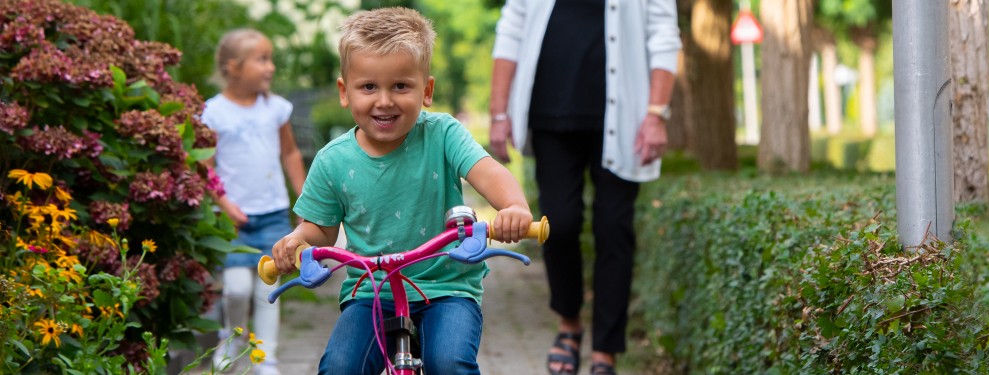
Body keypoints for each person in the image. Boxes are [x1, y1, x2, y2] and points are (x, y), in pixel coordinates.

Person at [269, 7, 535, 375]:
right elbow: (321, 230)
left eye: (400, 86)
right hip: (370, 291)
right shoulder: (333, 161)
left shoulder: (442, 134)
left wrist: (514, 207)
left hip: (447, 286)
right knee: (339, 367)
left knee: (450, 362)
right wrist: (298, 240)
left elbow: (489, 172)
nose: (384, 101)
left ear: (426, 91)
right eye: (368, 87)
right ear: (345, 92)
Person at [489, 0, 681, 374]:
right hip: (550, 112)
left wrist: (656, 113)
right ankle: (569, 323)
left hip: (622, 118)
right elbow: (510, 29)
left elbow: (663, 34)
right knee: (558, 222)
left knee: (614, 229)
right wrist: (499, 113)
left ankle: (605, 351)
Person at [201, 28, 307, 375]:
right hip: (233, 219)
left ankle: (267, 359)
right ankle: (231, 338)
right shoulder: (214, 112)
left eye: (270, 59)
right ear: (233, 67)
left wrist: (306, 201)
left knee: (267, 290)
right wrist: (224, 204)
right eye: (262, 59)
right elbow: (206, 166)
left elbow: (290, 153)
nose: (270, 67)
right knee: (235, 289)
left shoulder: (276, 109)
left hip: (273, 213)